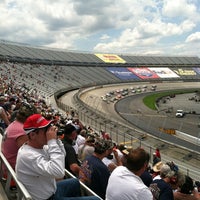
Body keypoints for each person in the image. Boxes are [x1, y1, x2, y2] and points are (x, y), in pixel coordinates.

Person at [16, 114, 98, 200]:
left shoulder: (40, 146)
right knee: (95, 199)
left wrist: (56, 140)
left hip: (51, 191)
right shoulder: (28, 156)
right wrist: (51, 141)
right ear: (32, 135)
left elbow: (62, 155)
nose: (49, 132)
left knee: (75, 182)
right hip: (46, 198)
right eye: (46, 130)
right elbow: (59, 172)